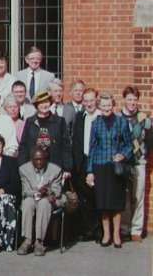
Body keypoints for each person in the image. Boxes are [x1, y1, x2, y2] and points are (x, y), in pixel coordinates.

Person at [85, 92, 133, 249]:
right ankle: (106, 234)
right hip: (100, 166)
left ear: (113, 105)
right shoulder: (96, 123)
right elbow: (92, 148)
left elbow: (129, 145)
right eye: (103, 105)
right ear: (99, 106)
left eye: (109, 105)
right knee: (103, 203)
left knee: (116, 203)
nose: (106, 108)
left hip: (115, 168)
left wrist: (122, 155)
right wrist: (90, 171)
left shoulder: (122, 122)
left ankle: (117, 234)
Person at [17, 147, 63, 256]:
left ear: (46, 159)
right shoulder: (24, 169)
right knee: (27, 202)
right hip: (32, 197)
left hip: (48, 200)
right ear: (31, 159)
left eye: (41, 159)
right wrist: (38, 194)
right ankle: (27, 240)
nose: (39, 162)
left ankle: (39, 242)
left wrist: (47, 191)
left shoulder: (55, 170)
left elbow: (57, 191)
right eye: (36, 159)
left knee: (44, 203)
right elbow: (26, 191)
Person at [120, 86, 151, 242]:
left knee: (138, 195)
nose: (132, 102)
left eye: (134, 99)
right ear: (124, 99)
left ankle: (136, 230)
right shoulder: (118, 117)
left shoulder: (144, 118)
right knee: (124, 195)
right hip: (124, 163)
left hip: (139, 161)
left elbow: (149, 141)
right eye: (129, 99)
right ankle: (124, 228)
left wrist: (145, 156)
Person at [18, 91, 73, 178]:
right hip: (33, 167)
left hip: (55, 166)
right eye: (41, 103)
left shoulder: (59, 121)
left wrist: (67, 168)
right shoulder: (30, 121)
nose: (44, 105)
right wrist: (23, 166)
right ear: (36, 105)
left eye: (46, 102)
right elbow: (23, 146)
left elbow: (66, 146)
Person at [71, 88, 100, 240]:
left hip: (98, 162)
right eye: (86, 100)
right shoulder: (80, 117)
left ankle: (99, 230)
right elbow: (76, 141)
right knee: (84, 198)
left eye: (91, 100)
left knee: (97, 197)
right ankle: (88, 230)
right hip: (82, 161)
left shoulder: (101, 117)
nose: (89, 103)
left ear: (96, 100)